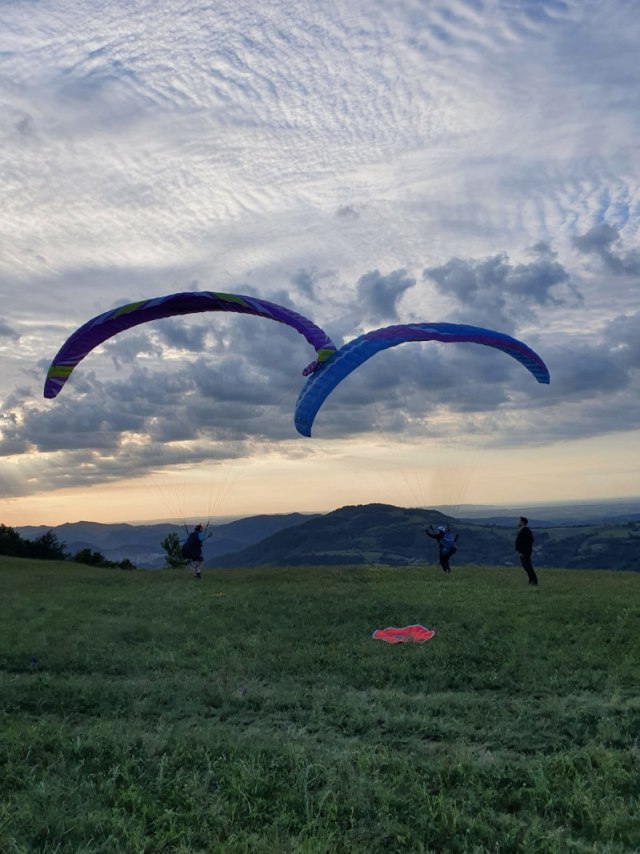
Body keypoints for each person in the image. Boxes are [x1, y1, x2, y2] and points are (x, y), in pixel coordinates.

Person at [515, 516, 538, 585]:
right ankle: (531, 580)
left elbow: (529, 541)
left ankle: (534, 581)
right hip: (522, 552)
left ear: (522, 522)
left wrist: (523, 552)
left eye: (519, 521)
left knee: (528, 567)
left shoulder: (526, 531)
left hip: (525, 553)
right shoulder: (522, 530)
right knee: (526, 567)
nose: (518, 522)